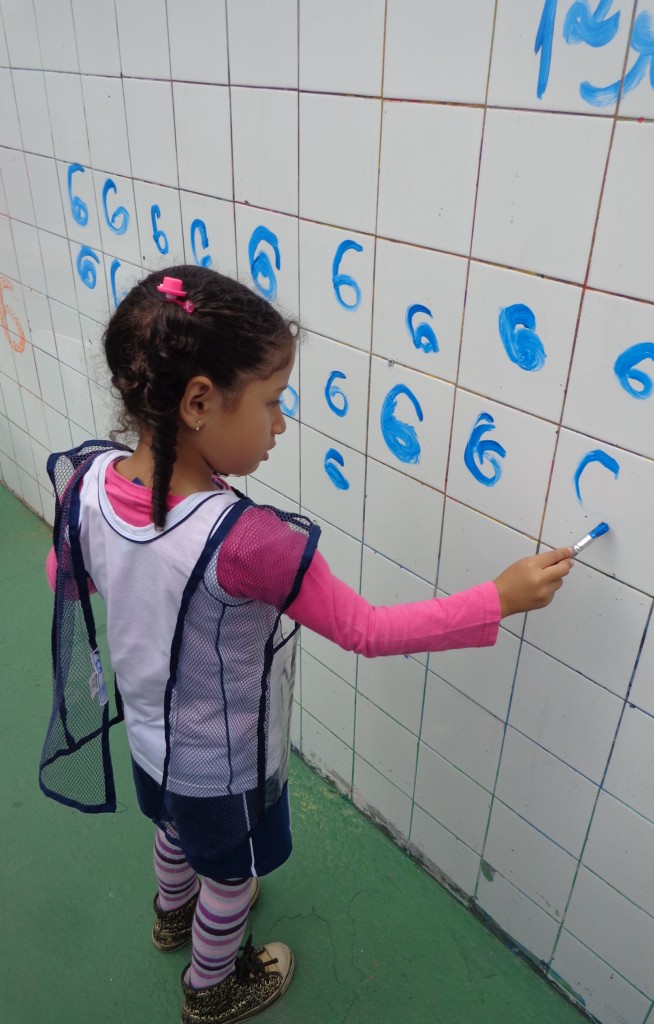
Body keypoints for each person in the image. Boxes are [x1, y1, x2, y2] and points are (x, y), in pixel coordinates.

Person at [40, 265, 573, 1024]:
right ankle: (211, 986)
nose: (281, 424)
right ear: (198, 402)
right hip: (221, 766)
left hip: (150, 740)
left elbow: (64, 579)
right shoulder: (248, 544)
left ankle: (168, 914)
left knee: (172, 829)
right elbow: (367, 630)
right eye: (271, 402)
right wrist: (499, 598)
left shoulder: (88, 484)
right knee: (231, 879)